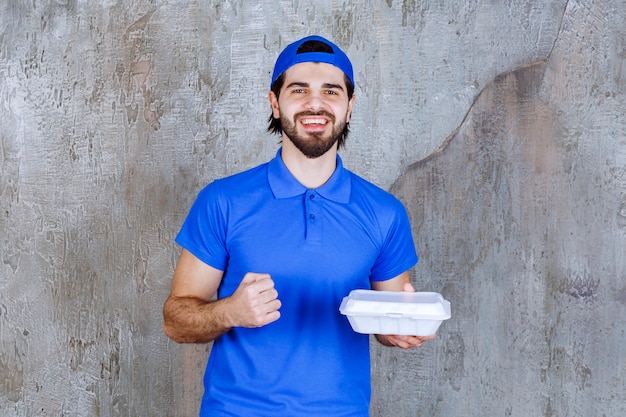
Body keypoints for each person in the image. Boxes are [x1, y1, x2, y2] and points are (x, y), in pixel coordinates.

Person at [163, 35, 435, 417]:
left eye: (331, 91)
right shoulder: (223, 201)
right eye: (298, 89)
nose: (315, 103)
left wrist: (400, 330)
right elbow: (176, 320)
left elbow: (387, 323)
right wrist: (230, 312)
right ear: (275, 103)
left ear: (349, 106)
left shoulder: (384, 213)